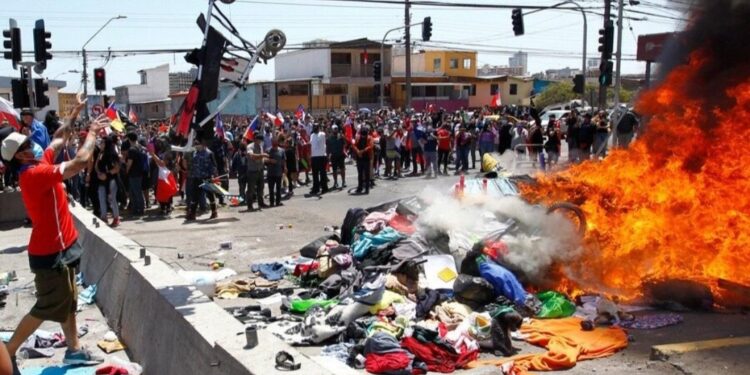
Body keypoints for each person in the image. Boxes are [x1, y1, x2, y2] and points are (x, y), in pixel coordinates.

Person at [0, 114, 109, 373]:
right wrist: (91, 133)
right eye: (26, 146)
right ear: (19, 156)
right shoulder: (34, 174)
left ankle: (74, 350)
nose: (32, 145)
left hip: (65, 247)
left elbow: (59, 138)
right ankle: (8, 351)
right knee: (48, 306)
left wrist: (72, 117)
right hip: (50, 255)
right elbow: (80, 162)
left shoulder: (39, 161)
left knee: (69, 302)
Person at [185, 138, 219, 221]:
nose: (196, 146)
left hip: (206, 178)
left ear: (203, 145)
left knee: (210, 195)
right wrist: (191, 173)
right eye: (195, 145)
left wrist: (215, 177)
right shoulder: (195, 153)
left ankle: (214, 212)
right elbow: (193, 165)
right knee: (194, 196)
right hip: (196, 177)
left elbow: (214, 166)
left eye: (197, 145)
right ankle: (192, 214)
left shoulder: (209, 153)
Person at [94, 135, 121, 227]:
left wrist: (107, 174)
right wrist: (99, 173)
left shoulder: (113, 154)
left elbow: (117, 168)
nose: (100, 144)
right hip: (101, 180)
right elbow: (96, 165)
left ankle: (116, 218)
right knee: (101, 198)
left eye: (102, 142)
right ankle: (103, 217)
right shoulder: (100, 154)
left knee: (112, 199)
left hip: (111, 180)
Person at [124, 133, 147, 216]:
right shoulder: (140, 147)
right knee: (136, 192)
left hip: (134, 173)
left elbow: (129, 163)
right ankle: (138, 208)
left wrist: (126, 170)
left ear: (129, 139)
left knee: (135, 192)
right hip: (140, 172)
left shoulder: (132, 149)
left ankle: (139, 209)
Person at [246, 133, 267, 212]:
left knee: (261, 188)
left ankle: (261, 203)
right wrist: (262, 155)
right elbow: (251, 156)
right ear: (255, 139)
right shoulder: (250, 146)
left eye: (261, 140)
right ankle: (250, 205)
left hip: (260, 170)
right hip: (252, 171)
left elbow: (261, 158)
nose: (260, 141)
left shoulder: (260, 146)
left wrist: (266, 159)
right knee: (251, 189)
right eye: (259, 140)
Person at [265, 137, 286, 207]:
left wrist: (285, 168)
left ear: (277, 142)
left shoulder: (282, 150)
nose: (274, 143)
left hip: (278, 172)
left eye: (275, 142)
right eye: (273, 142)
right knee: (271, 188)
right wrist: (270, 161)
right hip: (270, 172)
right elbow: (264, 160)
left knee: (278, 188)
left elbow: (283, 160)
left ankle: (278, 201)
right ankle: (271, 202)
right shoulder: (268, 150)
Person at [352, 127, 373, 194]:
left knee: (367, 174)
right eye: (362, 135)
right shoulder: (358, 137)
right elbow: (354, 145)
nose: (363, 136)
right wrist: (358, 151)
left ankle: (367, 188)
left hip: (366, 157)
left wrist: (362, 151)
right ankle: (360, 187)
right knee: (360, 173)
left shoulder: (370, 138)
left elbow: (370, 146)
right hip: (359, 158)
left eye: (365, 135)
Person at [309, 124, 328, 195]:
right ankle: (316, 188)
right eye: (314, 127)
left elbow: (325, 132)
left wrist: (324, 126)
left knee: (323, 173)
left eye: (316, 127)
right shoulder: (312, 135)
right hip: (314, 157)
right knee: (315, 174)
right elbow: (311, 144)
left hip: (321, 156)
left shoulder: (322, 134)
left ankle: (324, 188)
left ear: (319, 128)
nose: (315, 128)